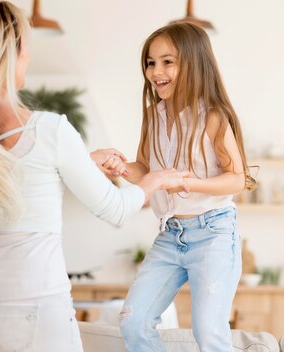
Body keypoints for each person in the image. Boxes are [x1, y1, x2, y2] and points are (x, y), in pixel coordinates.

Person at [0, 2, 189, 351]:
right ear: (7, 53)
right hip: (36, 304)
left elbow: (12, 176)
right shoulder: (49, 130)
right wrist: (156, 178)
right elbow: (118, 210)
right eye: (25, 48)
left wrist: (79, 161)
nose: (28, 58)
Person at [96, 22, 256, 351]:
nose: (156, 71)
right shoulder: (152, 116)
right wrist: (122, 168)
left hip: (213, 232)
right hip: (170, 236)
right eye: (151, 62)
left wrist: (188, 182)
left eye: (168, 61)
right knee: (132, 320)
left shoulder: (213, 116)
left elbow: (237, 178)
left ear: (193, 63)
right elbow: (146, 169)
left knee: (209, 331)